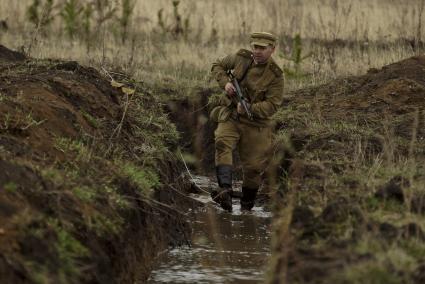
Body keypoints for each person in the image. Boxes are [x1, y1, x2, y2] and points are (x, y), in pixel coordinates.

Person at [209, 32, 284, 212]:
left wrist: (251, 108)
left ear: (272, 50)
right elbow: (217, 65)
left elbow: (273, 105)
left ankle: (246, 208)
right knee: (222, 142)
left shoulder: (276, 76)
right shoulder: (241, 58)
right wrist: (226, 83)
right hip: (232, 114)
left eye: (262, 48)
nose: (257, 51)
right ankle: (225, 191)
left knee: (254, 168)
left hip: (256, 124)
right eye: (255, 47)